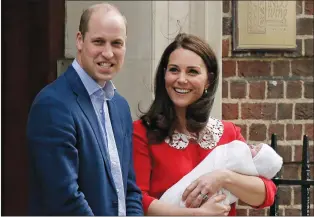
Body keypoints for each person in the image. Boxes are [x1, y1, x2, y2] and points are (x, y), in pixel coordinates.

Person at [132, 33, 277, 216]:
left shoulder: (228, 134)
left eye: (192, 71)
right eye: (174, 70)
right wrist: (197, 215)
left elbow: (266, 194)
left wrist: (223, 177)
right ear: (164, 75)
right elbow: (137, 200)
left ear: (208, 79)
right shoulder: (141, 132)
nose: (181, 79)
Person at [26, 3, 143, 215]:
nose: (108, 53)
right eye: (99, 42)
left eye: (116, 43)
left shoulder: (120, 106)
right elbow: (64, 199)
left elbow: (130, 189)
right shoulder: (53, 105)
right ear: (80, 40)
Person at [159, 140, 283, 207]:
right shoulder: (144, 132)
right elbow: (140, 196)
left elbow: (268, 192)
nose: (251, 146)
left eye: (257, 149)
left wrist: (223, 177)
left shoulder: (230, 133)